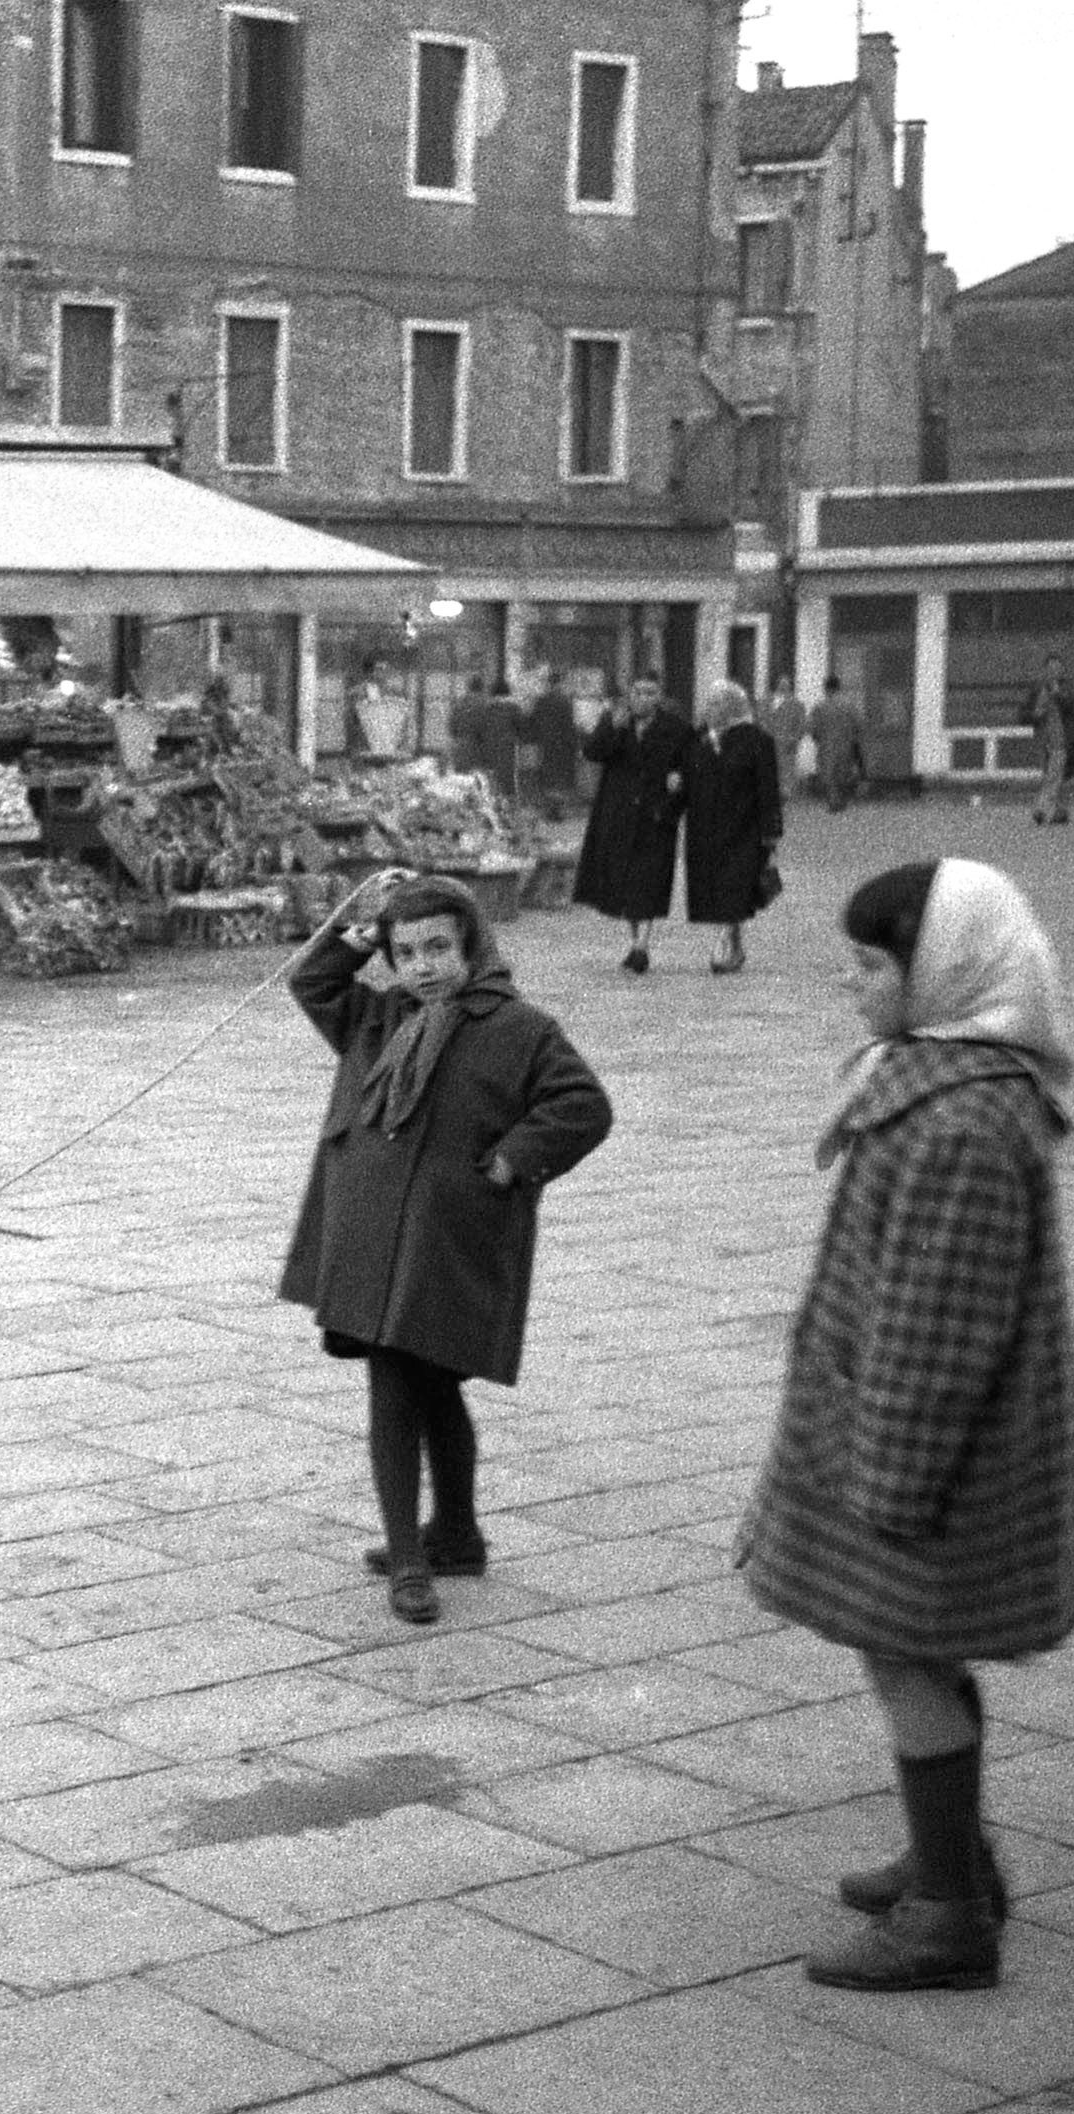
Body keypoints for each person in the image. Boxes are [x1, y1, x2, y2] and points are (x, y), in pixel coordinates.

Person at [737, 860, 1074, 1993]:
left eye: (871, 964)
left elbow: (940, 1329)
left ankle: (949, 1908)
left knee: (904, 1650)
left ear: (942, 971)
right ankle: (954, 1852)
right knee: (911, 1651)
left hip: (931, 1454)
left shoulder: (961, 1122)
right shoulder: (934, 1081)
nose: (851, 983)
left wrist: (889, 1482)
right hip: (909, 1435)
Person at [280, 873, 613, 1626]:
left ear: (472, 945)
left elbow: (583, 1105)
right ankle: (450, 1535)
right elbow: (312, 978)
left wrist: (510, 1158)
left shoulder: (518, 1028)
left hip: (444, 1237)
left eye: (438, 946)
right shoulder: (376, 1016)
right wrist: (363, 930)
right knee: (415, 1383)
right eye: (406, 951)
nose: (423, 965)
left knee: (412, 1385)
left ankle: (410, 1560)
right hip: (370, 1235)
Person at [574, 673, 691, 972]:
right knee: (627, 882)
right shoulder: (615, 721)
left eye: (651, 693)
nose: (643, 698)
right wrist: (612, 728)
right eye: (638, 692)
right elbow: (592, 752)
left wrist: (678, 785)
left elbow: (691, 766)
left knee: (648, 881)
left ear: (660, 696)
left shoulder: (675, 728)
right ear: (629, 694)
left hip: (656, 814)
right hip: (620, 815)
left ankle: (642, 945)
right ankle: (635, 941)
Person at [682, 679, 787, 975]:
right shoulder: (701, 740)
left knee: (733, 886)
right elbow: (688, 777)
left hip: (744, 829)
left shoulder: (757, 740)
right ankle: (736, 946)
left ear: (732, 707)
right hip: (705, 828)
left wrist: (771, 832)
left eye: (716, 704)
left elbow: (768, 789)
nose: (709, 709)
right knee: (719, 889)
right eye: (709, 703)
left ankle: (722, 946)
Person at [1019, 660, 1074, 827]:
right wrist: (1035, 714)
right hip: (1043, 741)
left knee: (1054, 776)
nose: (1055, 672)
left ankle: (1041, 810)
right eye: (1051, 668)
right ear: (1045, 670)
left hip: (1063, 740)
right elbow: (1022, 715)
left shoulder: (1067, 687)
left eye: (1058, 668)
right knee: (1055, 777)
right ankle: (1060, 812)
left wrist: (1058, 694)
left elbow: (1073, 704)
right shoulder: (1036, 690)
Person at [522, 667, 583, 815]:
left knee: (547, 777)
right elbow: (569, 726)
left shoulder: (540, 701)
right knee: (560, 778)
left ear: (549, 683)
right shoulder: (565, 702)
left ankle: (550, 808)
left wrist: (532, 739)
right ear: (560, 683)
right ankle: (557, 809)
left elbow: (532, 722)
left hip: (545, 744)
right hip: (562, 745)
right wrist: (576, 746)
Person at [809, 674, 869, 813]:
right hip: (846, 744)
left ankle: (833, 802)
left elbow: (813, 727)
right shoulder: (850, 705)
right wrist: (853, 738)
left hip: (826, 745)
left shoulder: (819, 706)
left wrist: (818, 739)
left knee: (828, 774)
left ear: (826, 689)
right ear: (839, 688)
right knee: (843, 773)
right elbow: (859, 724)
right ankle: (842, 800)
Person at [765, 681, 810, 791]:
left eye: (785, 686)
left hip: (786, 743)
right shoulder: (768, 703)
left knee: (786, 769)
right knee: (776, 769)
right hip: (775, 742)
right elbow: (764, 722)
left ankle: (784, 792)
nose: (783, 689)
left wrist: (794, 739)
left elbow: (802, 725)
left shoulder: (797, 705)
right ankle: (779, 791)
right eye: (781, 686)